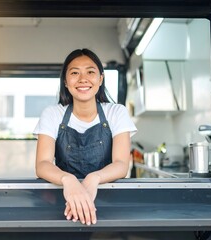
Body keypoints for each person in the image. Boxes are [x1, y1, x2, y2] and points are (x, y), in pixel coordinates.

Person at [33, 48, 137, 226]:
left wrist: (93, 179)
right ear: (65, 81)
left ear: (101, 79)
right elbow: (42, 165)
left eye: (90, 72)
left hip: (107, 201)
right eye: (74, 73)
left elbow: (121, 164)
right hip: (64, 200)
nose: (83, 79)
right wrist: (69, 180)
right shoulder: (52, 114)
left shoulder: (116, 112)